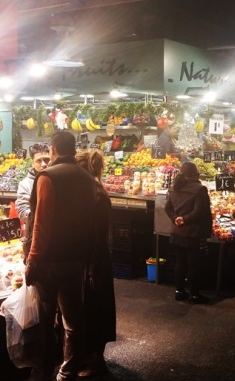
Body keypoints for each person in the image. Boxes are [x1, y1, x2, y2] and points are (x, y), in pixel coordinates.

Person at [24, 131, 97, 381]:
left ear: (53, 150)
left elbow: (41, 224)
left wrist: (33, 259)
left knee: (45, 318)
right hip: (76, 259)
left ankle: (43, 370)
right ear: (74, 149)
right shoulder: (88, 179)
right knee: (74, 319)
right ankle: (68, 371)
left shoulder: (47, 177)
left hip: (49, 262)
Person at [75, 149, 116, 378]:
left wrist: (91, 266)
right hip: (91, 258)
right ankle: (87, 357)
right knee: (89, 308)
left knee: (95, 308)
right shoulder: (89, 191)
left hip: (95, 259)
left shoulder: (96, 194)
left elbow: (98, 236)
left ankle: (95, 361)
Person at [165, 161, 212, 304]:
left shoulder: (174, 188)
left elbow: (168, 208)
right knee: (193, 264)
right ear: (195, 174)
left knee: (180, 262)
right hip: (192, 233)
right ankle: (195, 295)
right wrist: (184, 220)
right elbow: (199, 212)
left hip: (177, 232)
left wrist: (176, 219)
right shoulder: (199, 189)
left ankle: (179, 291)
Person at [15, 143, 50, 223]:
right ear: (32, 163)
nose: (44, 164)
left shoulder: (57, 179)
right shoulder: (25, 184)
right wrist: (44, 217)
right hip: (35, 231)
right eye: (39, 161)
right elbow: (22, 212)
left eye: (46, 160)